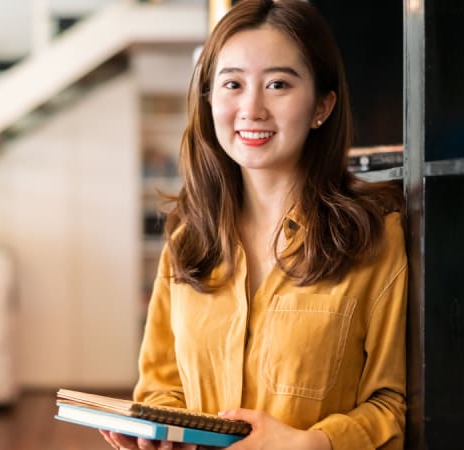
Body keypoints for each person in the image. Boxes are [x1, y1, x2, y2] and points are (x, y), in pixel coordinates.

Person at [101, 0, 407, 449]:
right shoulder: (189, 240)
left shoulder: (374, 236)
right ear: (209, 100)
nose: (252, 108)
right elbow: (162, 387)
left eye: (278, 84)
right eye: (232, 84)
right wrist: (156, 432)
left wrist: (312, 444)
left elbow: (393, 403)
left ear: (322, 105)